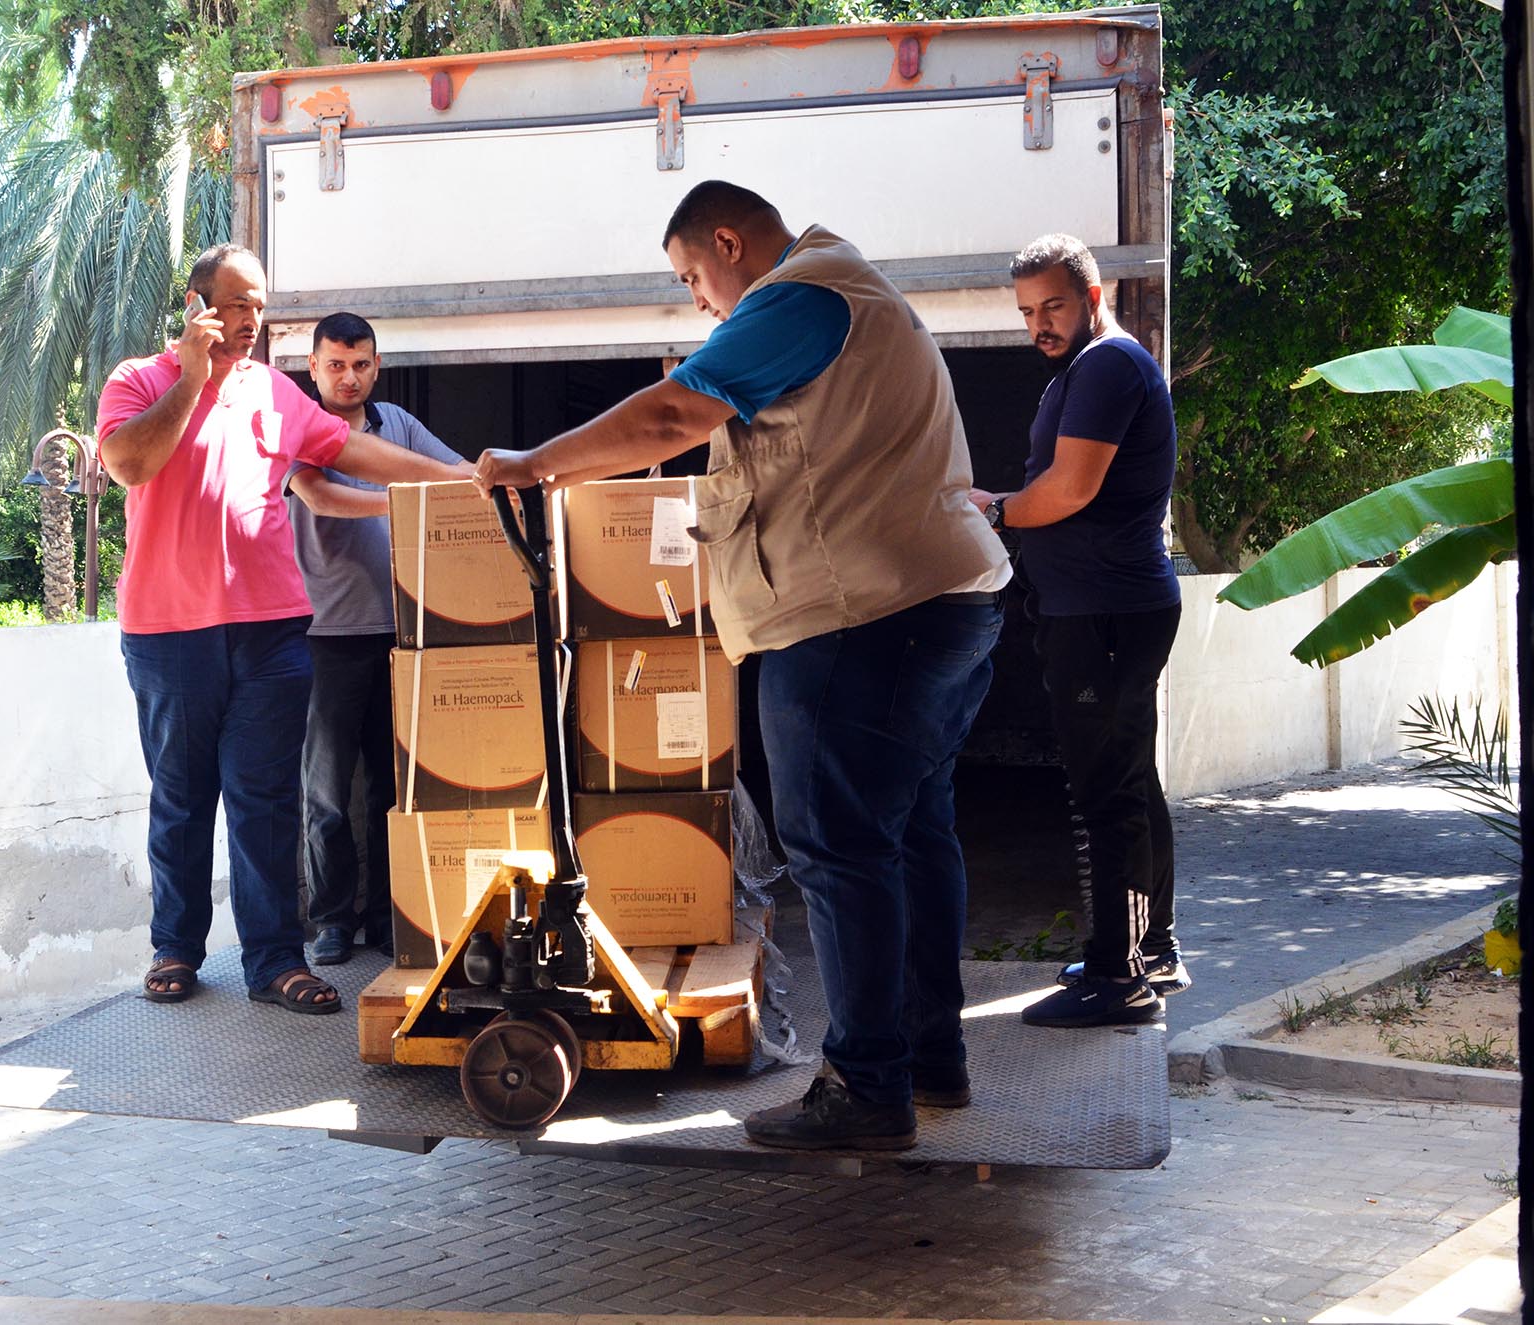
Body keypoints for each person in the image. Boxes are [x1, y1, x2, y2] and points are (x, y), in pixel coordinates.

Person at [474, 181, 1009, 1151]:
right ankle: (928, 1058)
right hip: (939, 603)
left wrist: (534, 463)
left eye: (691, 275)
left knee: (841, 849)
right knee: (909, 839)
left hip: (860, 615)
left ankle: (864, 1087)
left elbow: (666, 416)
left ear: (727, 241)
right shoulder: (855, 295)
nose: (697, 300)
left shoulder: (799, 296)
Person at [96, 244, 471, 1015]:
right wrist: (194, 384)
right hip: (170, 633)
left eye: (259, 305)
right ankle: (176, 947)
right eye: (235, 304)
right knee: (181, 796)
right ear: (197, 305)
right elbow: (130, 463)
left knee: (267, 801)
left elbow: (350, 450)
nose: (249, 320)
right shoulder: (138, 381)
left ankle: (273, 958)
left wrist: (458, 477)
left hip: (272, 632)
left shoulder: (275, 392)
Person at [969, 233, 1188, 1030]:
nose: (1040, 324)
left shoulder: (1106, 366)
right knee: (1131, 779)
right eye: (1028, 311)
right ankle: (1151, 948)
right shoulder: (1095, 367)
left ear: (1093, 297)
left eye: (1054, 305)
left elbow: (1066, 489)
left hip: (1104, 613)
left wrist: (991, 505)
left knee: (1109, 793)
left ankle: (1119, 977)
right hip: (1108, 608)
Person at [287, 312, 465, 965]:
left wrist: (507, 478)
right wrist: (406, 495)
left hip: (400, 629)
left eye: (360, 363)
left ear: (376, 364)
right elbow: (323, 496)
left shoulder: (399, 426)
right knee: (328, 792)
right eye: (335, 364)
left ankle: (393, 917)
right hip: (324, 635)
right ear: (313, 368)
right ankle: (332, 919)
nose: (349, 375)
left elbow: (456, 472)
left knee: (395, 789)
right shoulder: (297, 428)